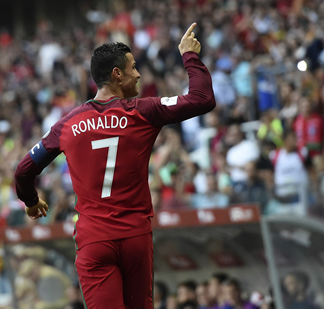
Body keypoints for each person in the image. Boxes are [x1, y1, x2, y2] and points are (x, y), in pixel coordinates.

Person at [14, 23, 215, 309]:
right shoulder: (143, 111)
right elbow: (202, 98)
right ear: (117, 74)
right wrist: (189, 56)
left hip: (94, 243)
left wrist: (32, 202)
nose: (139, 73)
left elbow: (23, 171)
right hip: (135, 237)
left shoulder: (67, 124)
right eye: (133, 67)